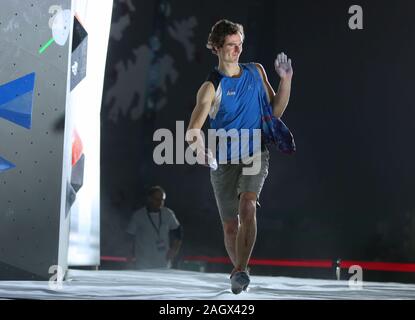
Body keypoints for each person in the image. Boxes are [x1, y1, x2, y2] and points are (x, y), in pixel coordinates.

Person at [186, 19, 294, 294]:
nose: (237, 50)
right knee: (230, 225)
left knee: (248, 206)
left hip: (255, 152)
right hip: (222, 162)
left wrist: (286, 80)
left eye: (240, 44)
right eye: (231, 45)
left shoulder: (256, 72)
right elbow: (192, 130)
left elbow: (275, 112)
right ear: (217, 47)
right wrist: (199, 148)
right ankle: (240, 269)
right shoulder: (211, 87)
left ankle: (241, 270)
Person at [126, 186, 183, 270]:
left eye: (162, 200)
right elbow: (129, 236)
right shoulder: (139, 215)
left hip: (163, 263)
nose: (160, 202)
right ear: (149, 199)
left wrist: (174, 250)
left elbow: (178, 232)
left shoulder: (168, 213)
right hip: (143, 263)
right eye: (157, 199)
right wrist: (129, 255)